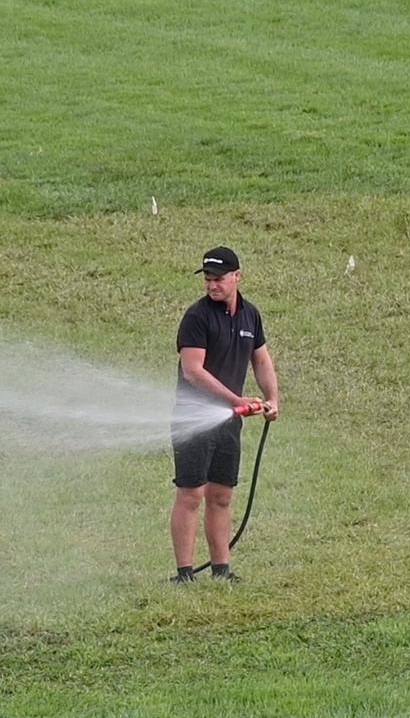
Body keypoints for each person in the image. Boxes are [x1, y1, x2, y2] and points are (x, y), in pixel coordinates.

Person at [170, 246, 280, 584]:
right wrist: (235, 399)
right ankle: (185, 574)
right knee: (191, 494)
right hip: (194, 418)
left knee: (222, 495)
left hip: (228, 422)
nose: (212, 285)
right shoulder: (197, 317)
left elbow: (260, 360)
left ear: (237, 277)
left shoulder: (251, 316)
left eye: (218, 279)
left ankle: (222, 570)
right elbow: (193, 371)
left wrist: (272, 398)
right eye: (207, 279)